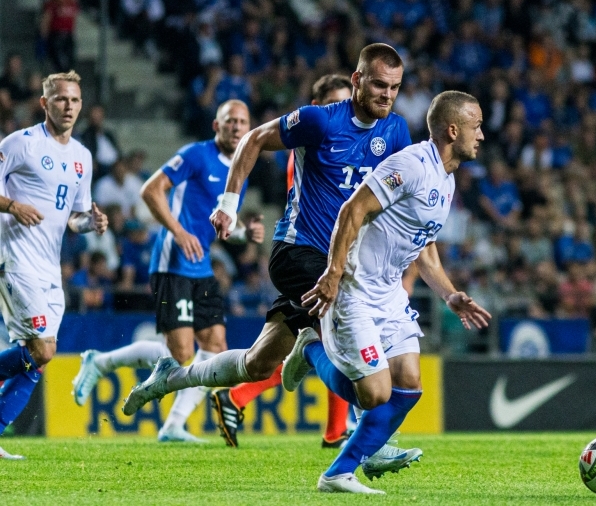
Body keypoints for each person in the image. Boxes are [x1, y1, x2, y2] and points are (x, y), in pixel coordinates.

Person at [121, 44, 419, 476]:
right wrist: (228, 202)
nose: (386, 94)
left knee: (257, 363)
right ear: (357, 80)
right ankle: (367, 437)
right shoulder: (320, 120)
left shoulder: (395, 133)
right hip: (301, 252)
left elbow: (395, 206)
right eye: (378, 83)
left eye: (394, 87)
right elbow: (253, 139)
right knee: (355, 339)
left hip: (347, 264)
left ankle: (172, 376)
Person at [289, 90, 491, 493]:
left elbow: (425, 250)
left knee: (409, 383)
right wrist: (332, 272)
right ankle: (310, 348)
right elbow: (352, 210)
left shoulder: (446, 180)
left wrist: (450, 294)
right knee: (375, 393)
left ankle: (337, 475)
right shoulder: (411, 164)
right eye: (476, 126)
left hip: (390, 294)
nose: (482, 135)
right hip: (355, 289)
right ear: (453, 130)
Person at [71, 100, 264, 443]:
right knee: (180, 355)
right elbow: (150, 190)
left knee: (216, 346)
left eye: (242, 121)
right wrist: (178, 231)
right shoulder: (196, 155)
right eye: (229, 121)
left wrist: (244, 234)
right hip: (172, 260)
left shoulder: (241, 170)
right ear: (216, 126)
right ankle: (99, 362)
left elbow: (220, 224)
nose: (236, 126)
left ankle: (173, 425)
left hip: (201, 265)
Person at [209, 73, 354, 449]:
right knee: (338, 336)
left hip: (327, 257)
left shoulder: (350, 145)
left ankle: (236, 395)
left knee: (276, 355)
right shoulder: (309, 149)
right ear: (320, 105)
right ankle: (338, 430)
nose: (345, 113)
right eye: (336, 103)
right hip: (307, 254)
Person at [0, 70, 108, 459]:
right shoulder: (21, 144)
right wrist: (12, 205)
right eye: (61, 99)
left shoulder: (82, 157)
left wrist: (91, 223)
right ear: (44, 103)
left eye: (75, 100)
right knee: (43, 351)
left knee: (34, 360)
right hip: (13, 257)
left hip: (48, 265)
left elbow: (74, 218)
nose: (69, 107)